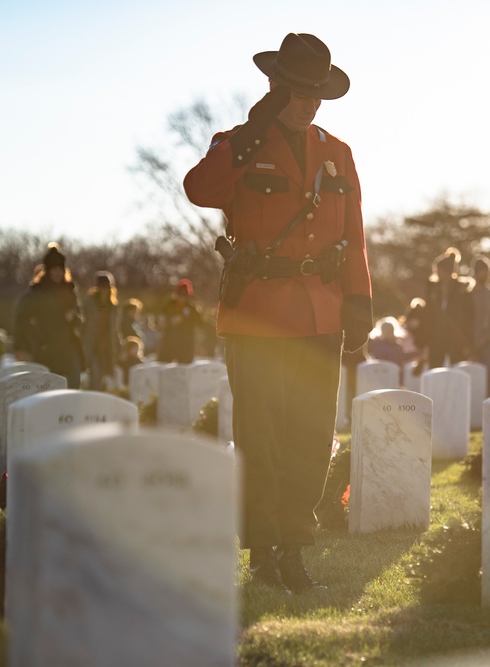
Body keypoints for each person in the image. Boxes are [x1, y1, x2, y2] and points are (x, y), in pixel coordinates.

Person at [183, 33, 372, 594]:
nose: (311, 103)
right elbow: (200, 188)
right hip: (258, 315)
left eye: (318, 94)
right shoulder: (237, 144)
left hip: (320, 314)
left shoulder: (337, 153)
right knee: (260, 437)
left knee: (311, 437)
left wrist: (359, 301)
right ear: (275, 87)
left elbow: (354, 235)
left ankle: (294, 546)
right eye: (300, 92)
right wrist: (249, 136)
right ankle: (262, 551)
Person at [13, 243, 85, 388]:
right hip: (46, 348)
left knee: (73, 386)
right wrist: (36, 338)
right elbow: (21, 319)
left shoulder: (69, 290)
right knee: (48, 388)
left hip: (68, 346)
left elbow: (79, 318)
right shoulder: (36, 293)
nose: (58, 273)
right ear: (48, 271)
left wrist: (74, 318)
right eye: (54, 269)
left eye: (60, 269)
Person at [420, 247, 474, 370]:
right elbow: (427, 315)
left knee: (458, 371)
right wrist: (425, 340)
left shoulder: (462, 291)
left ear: (448, 271)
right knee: (434, 370)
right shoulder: (433, 289)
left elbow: (469, 317)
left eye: (439, 270)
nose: (437, 273)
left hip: (456, 339)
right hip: (436, 338)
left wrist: (467, 341)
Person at [83, 271, 122, 391]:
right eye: (102, 287)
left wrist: (119, 346)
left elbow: (115, 329)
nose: (105, 290)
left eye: (107, 287)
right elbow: (83, 324)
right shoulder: (89, 303)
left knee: (104, 377)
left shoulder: (112, 306)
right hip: (91, 345)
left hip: (107, 346)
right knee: (94, 375)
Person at [468, 255, 490, 396]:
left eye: (488, 271)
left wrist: (487, 337)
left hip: (485, 342)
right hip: (467, 343)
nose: (486, 274)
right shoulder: (467, 294)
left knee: (488, 377)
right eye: (483, 271)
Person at [157, 279, 204, 364]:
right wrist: (167, 321)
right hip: (169, 341)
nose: (181, 298)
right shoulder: (168, 305)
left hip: (185, 343)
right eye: (179, 295)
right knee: (163, 362)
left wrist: (184, 320)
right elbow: (161, 319)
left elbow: (200, 322)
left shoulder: (191, 308)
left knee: (185, 364)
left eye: (184, 296)